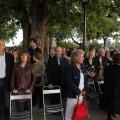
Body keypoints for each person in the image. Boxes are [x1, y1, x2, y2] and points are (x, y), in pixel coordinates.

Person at [65, 49, 88, 120]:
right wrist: (77, 91)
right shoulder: (70, 68)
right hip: (73, 95)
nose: (83, 58)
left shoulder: (83, 67)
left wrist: (84, 90)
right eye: (81, 57)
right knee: (70, 114)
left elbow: (86, 80)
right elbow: (69, 81)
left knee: (79, 113)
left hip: (81, 95)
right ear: (76, 57)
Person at [0, 39, 14, 120]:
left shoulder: (10, 57)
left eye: (0, 44)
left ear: (4, 46)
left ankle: (6, 117)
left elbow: (12, 71)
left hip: (6, 81)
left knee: (6, 102)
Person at [104, 53, 120, 120]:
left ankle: (109, 116)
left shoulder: (108, 67)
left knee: (109, 103)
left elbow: (105, 77)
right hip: (118, 88)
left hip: (109, 88)